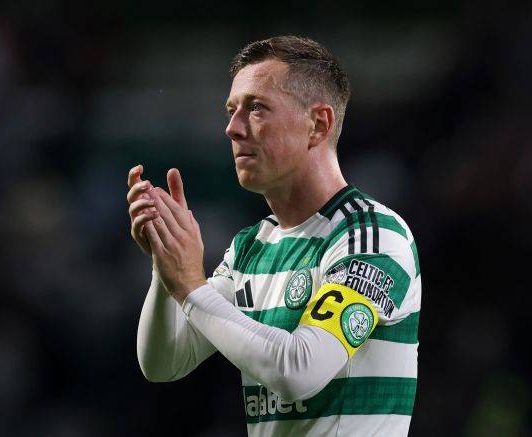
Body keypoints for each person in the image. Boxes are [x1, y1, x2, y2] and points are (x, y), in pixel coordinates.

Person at [128, 35, 421, 436]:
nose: (232, 129)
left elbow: (299, 371)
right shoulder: (252, 247)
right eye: (231, 110)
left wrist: (191, 285)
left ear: (318, 125)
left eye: (256, 108)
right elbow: (164, 363)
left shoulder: (372, 236)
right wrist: (166, 268)